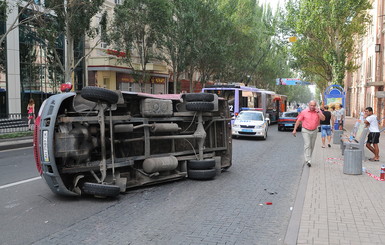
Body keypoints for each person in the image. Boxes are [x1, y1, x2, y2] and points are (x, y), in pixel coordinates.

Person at [292, 100, 326, 167]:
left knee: (312, 145)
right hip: (305, 130)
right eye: (311, 105)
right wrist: (294, 130)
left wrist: (318, 112)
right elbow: (298, 121)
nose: (312, 107)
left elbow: (323, 119)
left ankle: (309, 157)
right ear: (309, 105)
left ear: (315, 106)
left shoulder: (318, 111)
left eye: (314, 105)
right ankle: (308, 159)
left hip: (314, 130)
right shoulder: (304, 112)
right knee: (307, 144)